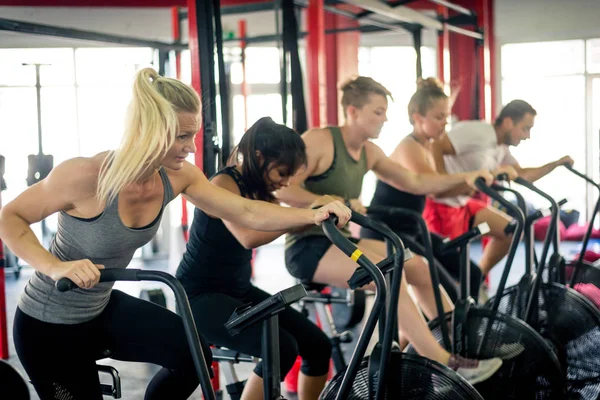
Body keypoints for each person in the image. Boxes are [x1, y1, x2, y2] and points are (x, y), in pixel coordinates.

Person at [0, 68, 351, 400]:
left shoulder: (178, 175)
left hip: (100, 307)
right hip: (48, 324)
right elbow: (10, 217)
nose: (193, 147)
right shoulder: (84, 175)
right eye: (183, 136)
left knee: (193, 357)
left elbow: (244, 211)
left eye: (193, 134)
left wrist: (313, 213)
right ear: (149, 131)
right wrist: (54, 266)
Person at [277, 76, 503, 385]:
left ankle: (459, 339)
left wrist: (469, 178)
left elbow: (417, 183)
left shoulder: (370, 151)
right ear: (353, 112)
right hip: (306, 247)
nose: (385, 119)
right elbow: (283, 189)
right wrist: (329, 201)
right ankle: (445, 362)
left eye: (385, 112)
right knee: (386, 275)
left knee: (417, 266)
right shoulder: (320, 141)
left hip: (341, 242)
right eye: (378, 112)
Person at [176, 117, 332, 400]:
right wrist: (309, 216)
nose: (284, 182)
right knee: (281, 349)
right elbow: (249, 235)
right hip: (199, 298)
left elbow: (284, 217)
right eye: (281, 172)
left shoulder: (261, 189)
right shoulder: (223, 183)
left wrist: (316, 211)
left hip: (238, 291)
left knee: (318, 345)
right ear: (259, 157)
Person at [360, 77, 484, 301]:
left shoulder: (429, 145)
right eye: (439, 117)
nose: (445, 122)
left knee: (472, 274)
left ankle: (468, 330)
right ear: (418, 118)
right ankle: (444, 333)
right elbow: (432, 186)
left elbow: (440, 187)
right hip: (387, 232)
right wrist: (468, 179)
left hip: (413, 229)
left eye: (446, 116)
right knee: (444, 290)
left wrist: (470, 185)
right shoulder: (410, 146)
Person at [426, 98, 574, 278]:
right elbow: (437, 145)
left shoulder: (500, 147)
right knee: (447, 274)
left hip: (463, 203)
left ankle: (477, 278)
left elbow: (522, 175)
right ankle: (466, 284)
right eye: (525, 128)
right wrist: (441, 180)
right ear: (508, 122)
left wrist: (556, 164)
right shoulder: (479, 131)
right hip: (440, 205)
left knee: (512, 231)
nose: (527, 136)